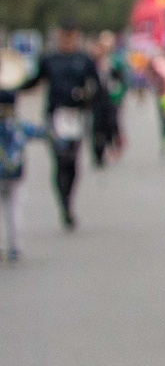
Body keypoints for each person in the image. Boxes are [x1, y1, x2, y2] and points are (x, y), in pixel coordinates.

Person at [13, 23, 102, 230]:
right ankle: (64, 204)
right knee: (61, 159)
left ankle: (69, 198)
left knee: (72, 162)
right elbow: (33, 82)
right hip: (56, 116)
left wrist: (89, 98)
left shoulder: (85, 60)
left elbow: (96, 86)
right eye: (64, 37)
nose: (68, 41)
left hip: (77, 115)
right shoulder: (49, 59)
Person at [88, 31, 128, 167]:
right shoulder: (92, 62)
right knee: (97, 127)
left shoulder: (115, 61)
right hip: (97, 99)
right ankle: (98, 154)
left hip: (112, 99)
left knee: (111, 123)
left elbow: (122, 80)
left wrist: (120, 96)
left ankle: (114, 143)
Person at [0, 103, 33, 260]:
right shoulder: (17, 126)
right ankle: (13, 247)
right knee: (13, 211)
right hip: (14, 174)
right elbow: (38, 131)